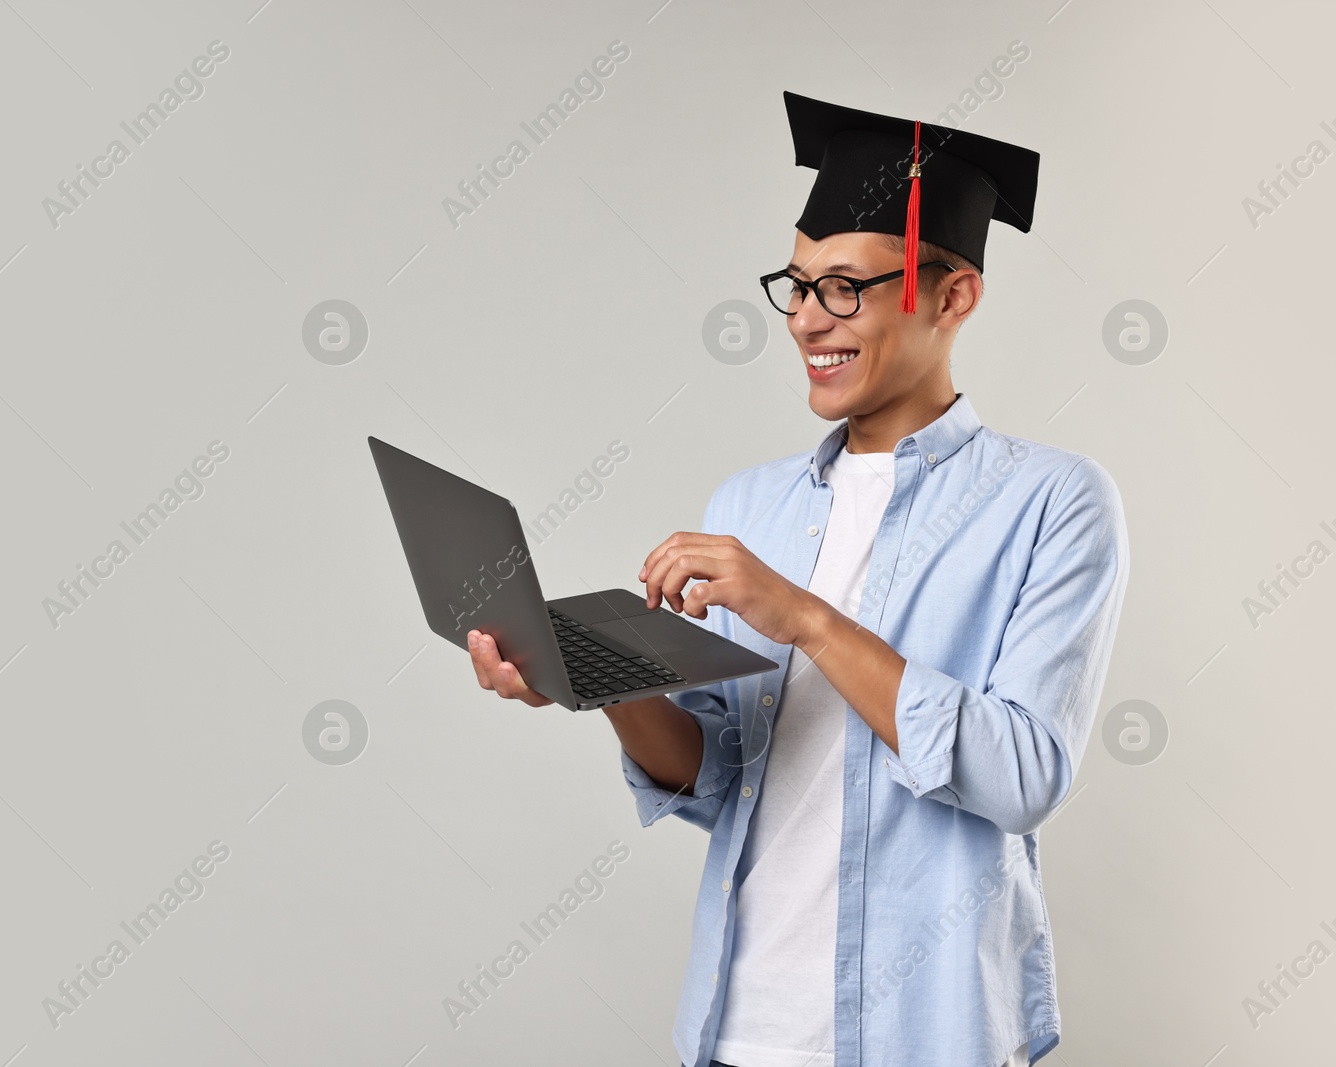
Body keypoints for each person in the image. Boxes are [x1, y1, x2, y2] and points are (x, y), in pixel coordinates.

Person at [466, 92, 1129, 1067]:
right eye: (798, 283)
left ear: (954, 297)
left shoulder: (1052, 501)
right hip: (739, 1030)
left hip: (923, 1035)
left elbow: (1022, 774)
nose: (808, 319)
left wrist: (807, 618)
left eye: (846, 287)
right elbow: (715, 773)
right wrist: (598, 678)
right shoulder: (750, 505)